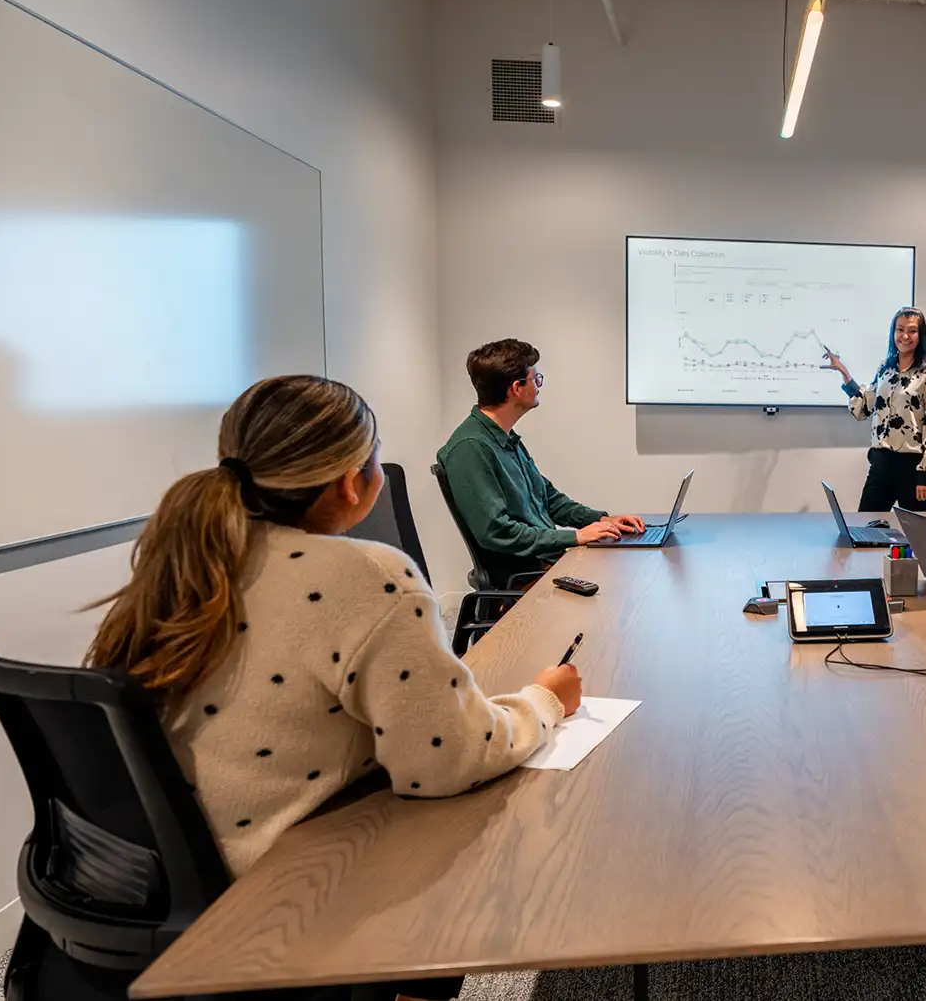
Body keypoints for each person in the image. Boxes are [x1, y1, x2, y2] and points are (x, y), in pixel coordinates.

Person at [85, 375, 583, 1001]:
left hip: (170, 881)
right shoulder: (368, 575)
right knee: (479, 816)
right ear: (354, 483)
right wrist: (543, 700)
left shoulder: (179, 562)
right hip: (283, 894)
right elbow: (447, 759)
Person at [438, 339, 645, 581]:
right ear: (517, 388)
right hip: (528, 575)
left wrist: (602, 520)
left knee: (626, 570)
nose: (539, 386)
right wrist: (575, 537)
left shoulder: (504, 437)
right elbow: (496, 531)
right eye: (536, 380)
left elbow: (548, 499)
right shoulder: (470, 448)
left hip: (547, 562)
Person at [820, 308, 926, 512]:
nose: (905, 336)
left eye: (912, 331)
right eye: (900, 329)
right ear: (892, 333)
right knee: (866, 529)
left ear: (921, 335)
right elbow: (865, 407)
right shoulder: (885, 368)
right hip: (881, 464)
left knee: (914, 536)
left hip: (913, 468)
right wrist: (845, 374)